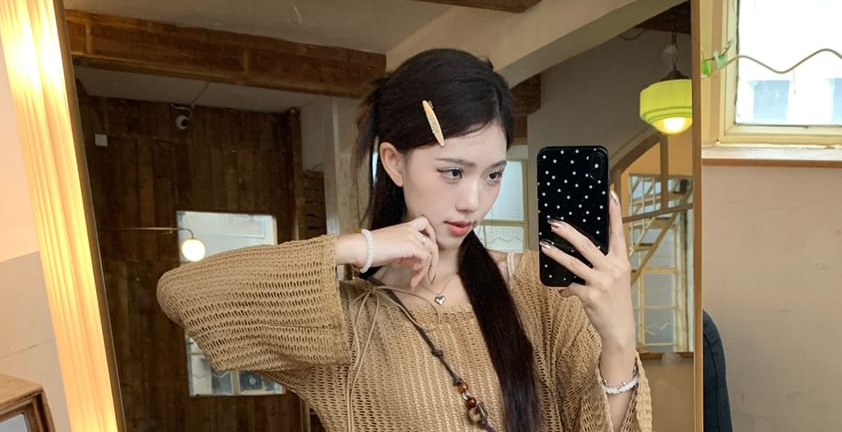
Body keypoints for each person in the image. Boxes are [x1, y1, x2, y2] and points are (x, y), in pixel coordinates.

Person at [157, 48, 652, 432]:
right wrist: (360, 246)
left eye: (494, 175)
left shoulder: (540, 293)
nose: (473, 201)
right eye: (453, 171)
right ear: (394, 162)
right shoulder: (348, 322)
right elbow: (185, 293)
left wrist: (618, 339)